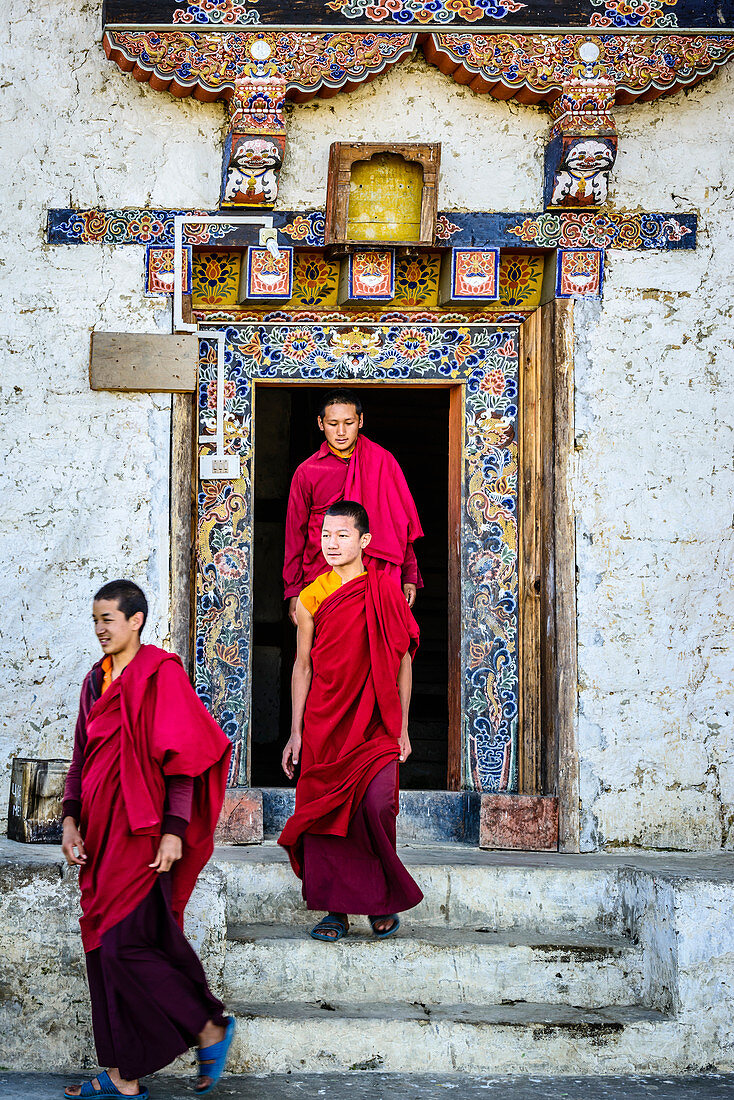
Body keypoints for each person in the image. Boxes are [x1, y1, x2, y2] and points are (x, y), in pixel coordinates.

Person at [61, 580, 235, 1099]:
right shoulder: (95, 683)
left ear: (135, 620)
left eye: (108, 619)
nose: (99, 629)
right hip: (99, 833)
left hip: (141, 832)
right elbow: (80, 761)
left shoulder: (161, 675)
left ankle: (208, 1027)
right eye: (95, 620)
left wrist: (174, 832)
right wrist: (70, 821)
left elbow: (184, 762)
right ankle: (122, 1075)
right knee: (101, 948)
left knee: (123, 947)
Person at [278, 501, 424, 941]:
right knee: (327, 814)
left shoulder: (385, 590)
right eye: (326, 535)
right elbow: (302, 666)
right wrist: (296, 731)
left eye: (342, 535)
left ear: (364, 541)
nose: (332, 543)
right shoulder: (311, 596)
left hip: (376, 720)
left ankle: (380, 898)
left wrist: (402, 727)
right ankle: (335, 911)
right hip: (326, 721)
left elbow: (402, 661)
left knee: (377, 805)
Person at [283, 390, 424, 627]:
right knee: (325, 650)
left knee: (379, 648)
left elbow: (400, 523)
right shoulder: (307, 472)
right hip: (323, 576)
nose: (341, 432)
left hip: (377, 576)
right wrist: (294, 590)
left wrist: (410, 574)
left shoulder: (383, 461)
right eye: (332, 423)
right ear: (320, 423)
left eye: (348, 423)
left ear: (360, 421)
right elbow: (295, 535)